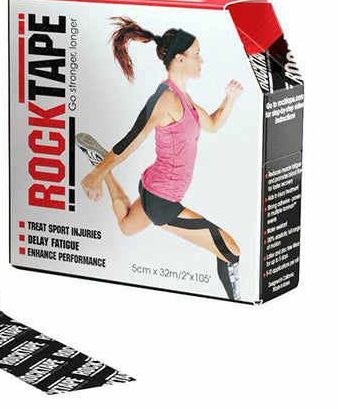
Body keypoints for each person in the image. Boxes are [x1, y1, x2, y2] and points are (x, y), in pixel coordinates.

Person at [76, 17, 244, 300]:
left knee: (127, 226)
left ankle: (107, 172)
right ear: (179, 59)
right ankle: (237, 305)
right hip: (162, 202)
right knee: (230, 250)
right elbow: (132, 139)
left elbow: (213, 124)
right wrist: (93, 176)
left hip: (153, 187)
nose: (202, 60)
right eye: (197, 54)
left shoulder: (185, 99)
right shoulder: (165, 99)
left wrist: (230, 98)